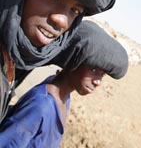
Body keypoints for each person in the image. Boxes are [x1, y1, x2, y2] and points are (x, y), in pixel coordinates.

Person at [0, 20, 128, 148]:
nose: (98, 82)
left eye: (102, 74)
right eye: (94, 70)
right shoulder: (41, 105)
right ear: (74, 61)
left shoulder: (63, 98)